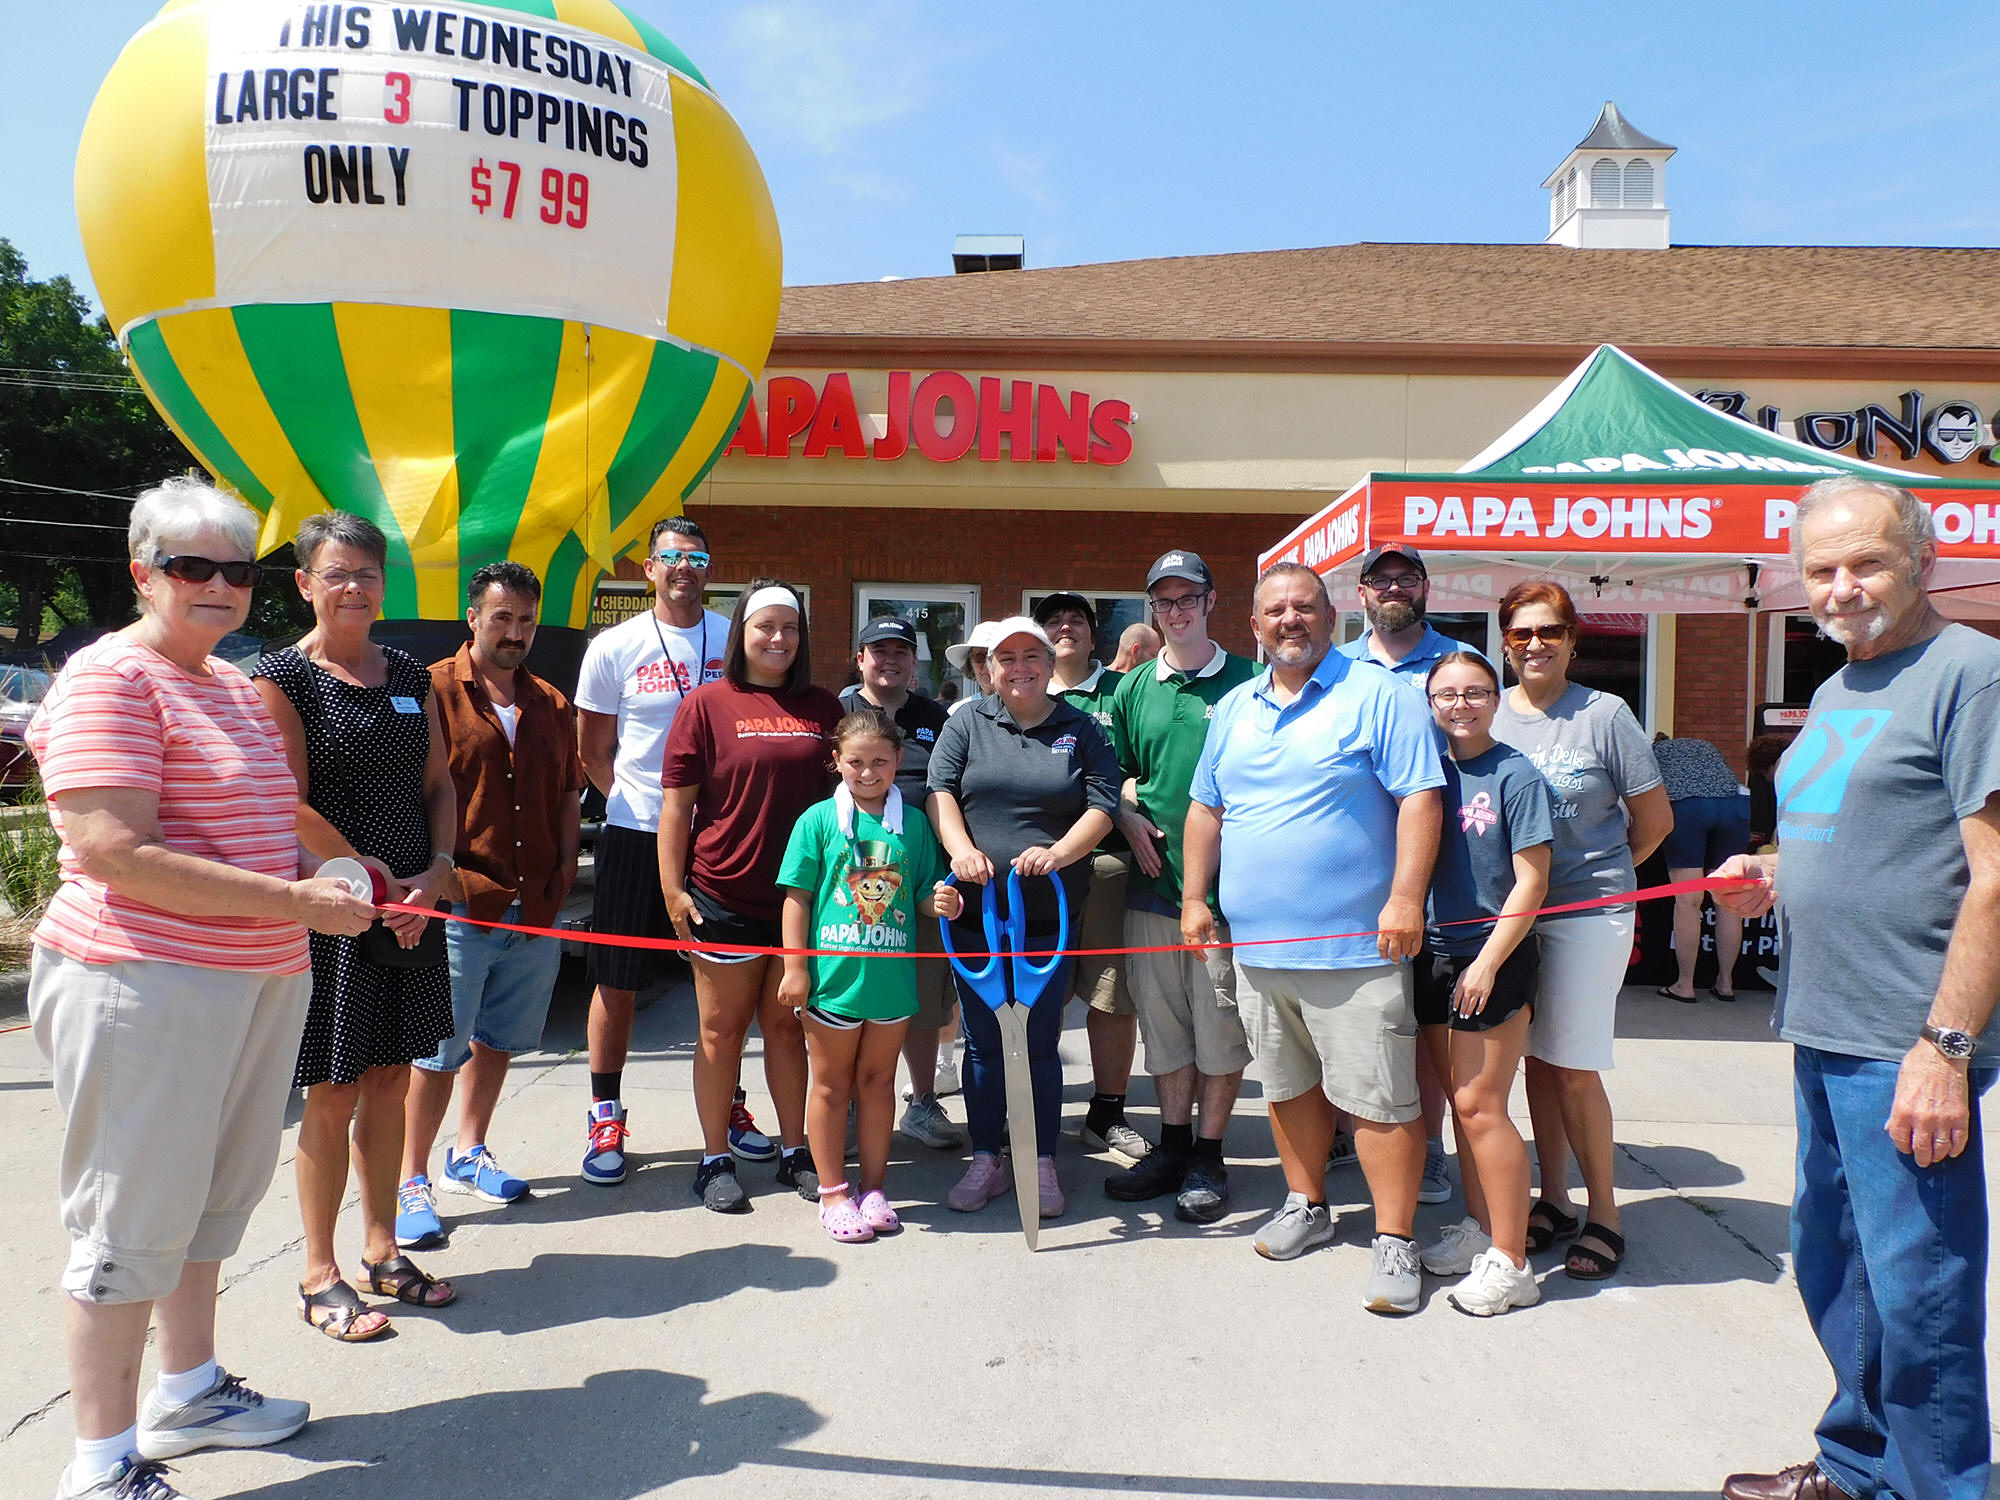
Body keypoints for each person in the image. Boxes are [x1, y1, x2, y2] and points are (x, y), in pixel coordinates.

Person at [27, 479, 376, 1500]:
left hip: (251, 978)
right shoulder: (109, 679)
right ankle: (100, 1462)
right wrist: (296, 900)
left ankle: (188, 1392)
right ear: (143, 572)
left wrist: (343, 878)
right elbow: (111, 848)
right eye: (193, 566)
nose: (220, 585)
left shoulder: (225, 682)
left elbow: (264, 824)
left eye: (237, 568)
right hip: (143, 982)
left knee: (209, 1205)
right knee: (130, 1220)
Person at [1714, 478, 2000, 1500]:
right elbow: (1850, 838)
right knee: (1838, 1268)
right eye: (1821, 570)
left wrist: (1945, 1048)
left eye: (1866, 562)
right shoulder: (1838, 688)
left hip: (1904, 1037)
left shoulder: (1971, 674)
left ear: (1922, 561)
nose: (1842, 587)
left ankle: (1941, 1486)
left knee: (1920, 1295)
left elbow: (1994, 877)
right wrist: (1768, 874)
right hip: (1824, 1025)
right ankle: (1857, 1465)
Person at [1184, 562, 1444, 1314]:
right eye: (1275, 610)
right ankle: (1308, 1202)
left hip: (1357, 949)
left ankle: (1395, 1238)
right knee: (1288, 1087)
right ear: (1254, 626)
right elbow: (1206, 809)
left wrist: (1406, 899)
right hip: (1259, 952)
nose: (1289, 620)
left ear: (1332, 618)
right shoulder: (1235, 707)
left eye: (1304, 607)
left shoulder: (1380, 695)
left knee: (1380, 1100)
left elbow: (1420, 799)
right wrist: (1195, 897)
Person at [255, 513, 461, 1341]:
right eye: (336, 573)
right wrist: (369, 878)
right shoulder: (283, 677)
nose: (354, 588)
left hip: (414, 907)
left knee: (392, 1080)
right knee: (334, 1090)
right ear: (305, 583)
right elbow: (286, 800)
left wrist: (436, 873)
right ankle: (319, 1273)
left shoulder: (408, 672)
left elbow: (439, 783)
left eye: (368, 573)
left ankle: (383, 1249)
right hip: (339, 911)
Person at [395, 562, 584, 1250]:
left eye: (526, 620)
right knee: (436, 1052)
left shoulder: (551, 703)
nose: (515, 632)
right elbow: (416, 793)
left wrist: (562, 877)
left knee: (500, 1039)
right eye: (502, 618)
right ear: (472, 618)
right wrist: (432, 881)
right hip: (460, 902)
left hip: (534, 904)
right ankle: (409, 1179)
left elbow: (568, 795)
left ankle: (468, 1153)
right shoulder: (429, 689)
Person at [1490, 581, 1671, 1284]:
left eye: (1550, 631)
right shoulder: (1490, 712)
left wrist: (1602, 878)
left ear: (1572, 641)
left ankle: (1605, 1213)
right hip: (1511, 917)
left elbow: (1654, 823)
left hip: (1587, 912)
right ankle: (1555, 1199)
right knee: (1538, 1061)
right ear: (1505, 642)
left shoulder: (1605, 714)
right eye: (1522, 632)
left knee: (1573, 1064)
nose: (1535, 644)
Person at [574, 517, 758, 1188]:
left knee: (722, 988)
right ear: (649, 568)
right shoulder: (613, 646)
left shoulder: (734, 640)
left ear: (709, 569)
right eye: (672, 557)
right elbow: (592, 750)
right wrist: (637, 806)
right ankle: (605, 1114)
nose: (684, 568)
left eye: (697, 558)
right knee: (616, 980)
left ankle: (729, 1104)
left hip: (719, 837)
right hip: (635, 834)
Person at [927, 616, 1121, 1219]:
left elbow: (1103, 805)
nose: (1019, 668)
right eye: (1005, 658)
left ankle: (1039, 1159)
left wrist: (1060, 853)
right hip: (977, 913)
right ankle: (987, 1157)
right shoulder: (966, 723)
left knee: (1038, 1042)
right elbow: (940, 792)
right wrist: (961, 851)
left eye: (1030, 656)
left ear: (1049, 662)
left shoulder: (1081, 727)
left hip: (1048, 916)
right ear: (989, 667)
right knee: (985, 1043)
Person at [660, 581, 844, 1212]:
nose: (778, 639)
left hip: (803, 902)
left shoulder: (824, 707)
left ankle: (796, 1151)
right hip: (723, 894)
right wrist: (673, 889)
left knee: (788, 1031)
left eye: (790, 627)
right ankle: (714, 1158)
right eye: (765, 626)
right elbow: (676, 806)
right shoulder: (706, 704)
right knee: (721, 1032)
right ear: (741, 631)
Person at [1102, 550, 1260, 1222]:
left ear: (1211, 601)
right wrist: (1125, 813)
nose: (1176, 611)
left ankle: (1209, 1155)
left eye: (1187, 597)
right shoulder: (1134, 687)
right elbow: (1114, 774)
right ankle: (1171, 1147)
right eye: (1164, 601)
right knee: (1163, 1030)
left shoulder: (1252, 681)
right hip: (1153, 886)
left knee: (1220, 1028)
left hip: (1229, 896)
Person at [777, 710, 963, 1243]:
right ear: (836, 761)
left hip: (892, 985)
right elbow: (797, 898)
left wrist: (941, 902)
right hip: (832, 983)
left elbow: (924, 891)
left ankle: (875, 1188)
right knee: (831, 1086)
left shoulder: (916, 825)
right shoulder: (816, 820)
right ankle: (833, 1193)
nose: (867, 772)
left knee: (879, 1085)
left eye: (880, 761)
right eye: (855, 761)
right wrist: (795, 967)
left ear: (898, 761)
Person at [1412, 652, 1553, 1317]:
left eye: (1475, 692)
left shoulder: (1514, 774)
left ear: (1496, 700)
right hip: (1431, 953)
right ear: (1430, 703)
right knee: (1457, 1104)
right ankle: (1481, 1228)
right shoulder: (1424, 771)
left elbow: (1532, 880)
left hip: (1491, 957)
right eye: (1447, 694)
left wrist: (1490, 961)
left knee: (1480, 1106)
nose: (1460, 704)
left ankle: (1513, 1260)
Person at [1339, 542, 1477, 1207]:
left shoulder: (1459, 663)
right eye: (1380, 579)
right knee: (1354, 1016)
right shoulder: (1337, 666)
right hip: (1356, 871)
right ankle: (1353, 1134)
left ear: (1426, 587)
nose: (1393, 588)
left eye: (1406, 577)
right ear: (1361, 592)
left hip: (1441, 866)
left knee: (1424, 1023)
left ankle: (1429, 1149)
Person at [837, 616, 963, 1151]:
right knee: (852, 992)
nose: (890, 659)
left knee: (923, 997)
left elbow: (947, 787)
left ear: (914, 661)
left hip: (920, 876)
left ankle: (922, 1103)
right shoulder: (838, 711)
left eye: (901, 651)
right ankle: (848, 1107)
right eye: (878, 650)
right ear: (860, 658)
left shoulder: (934, 717)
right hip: (851, 880)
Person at [1035, 591, 1150, 1162]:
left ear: (1093, 632)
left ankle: (1107, 1112)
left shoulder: (1121, 689)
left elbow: (1138, 766)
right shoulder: (1023, 690)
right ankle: (1035, 1110)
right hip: (1039, 871)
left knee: (1110, 994)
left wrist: (1122, 805)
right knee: (1042, 994)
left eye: (1075, 620)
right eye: (1053, 620)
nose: (1065, 628)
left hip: (1105, 866)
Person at [1650, 733, 1751, 1003]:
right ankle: (1726, 983)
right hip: (1733, 807)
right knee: (1727, 900)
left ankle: (1685, 984)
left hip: (1688, 808)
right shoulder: (1705, 746)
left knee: (1688, 901)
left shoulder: (1655, 753)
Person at [944, 620, 1002, 715]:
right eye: (979, 657)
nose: (987, 664)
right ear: (970, 663)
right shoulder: (958, 712)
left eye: (993, 657)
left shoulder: (1023, 710)